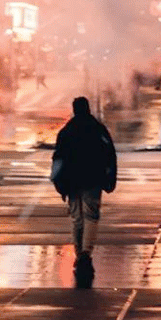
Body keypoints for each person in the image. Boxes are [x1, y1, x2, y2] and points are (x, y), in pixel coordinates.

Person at [50, 97, 117, 286]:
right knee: (91, 216)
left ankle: (79, 255)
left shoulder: (67, 131)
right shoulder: (98, 129)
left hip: (72, 181)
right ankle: (86, 254)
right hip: (93, 179)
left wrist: (59, 184)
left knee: (76, 218)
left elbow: (59, 159)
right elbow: (109, 155)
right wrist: (109, 179)